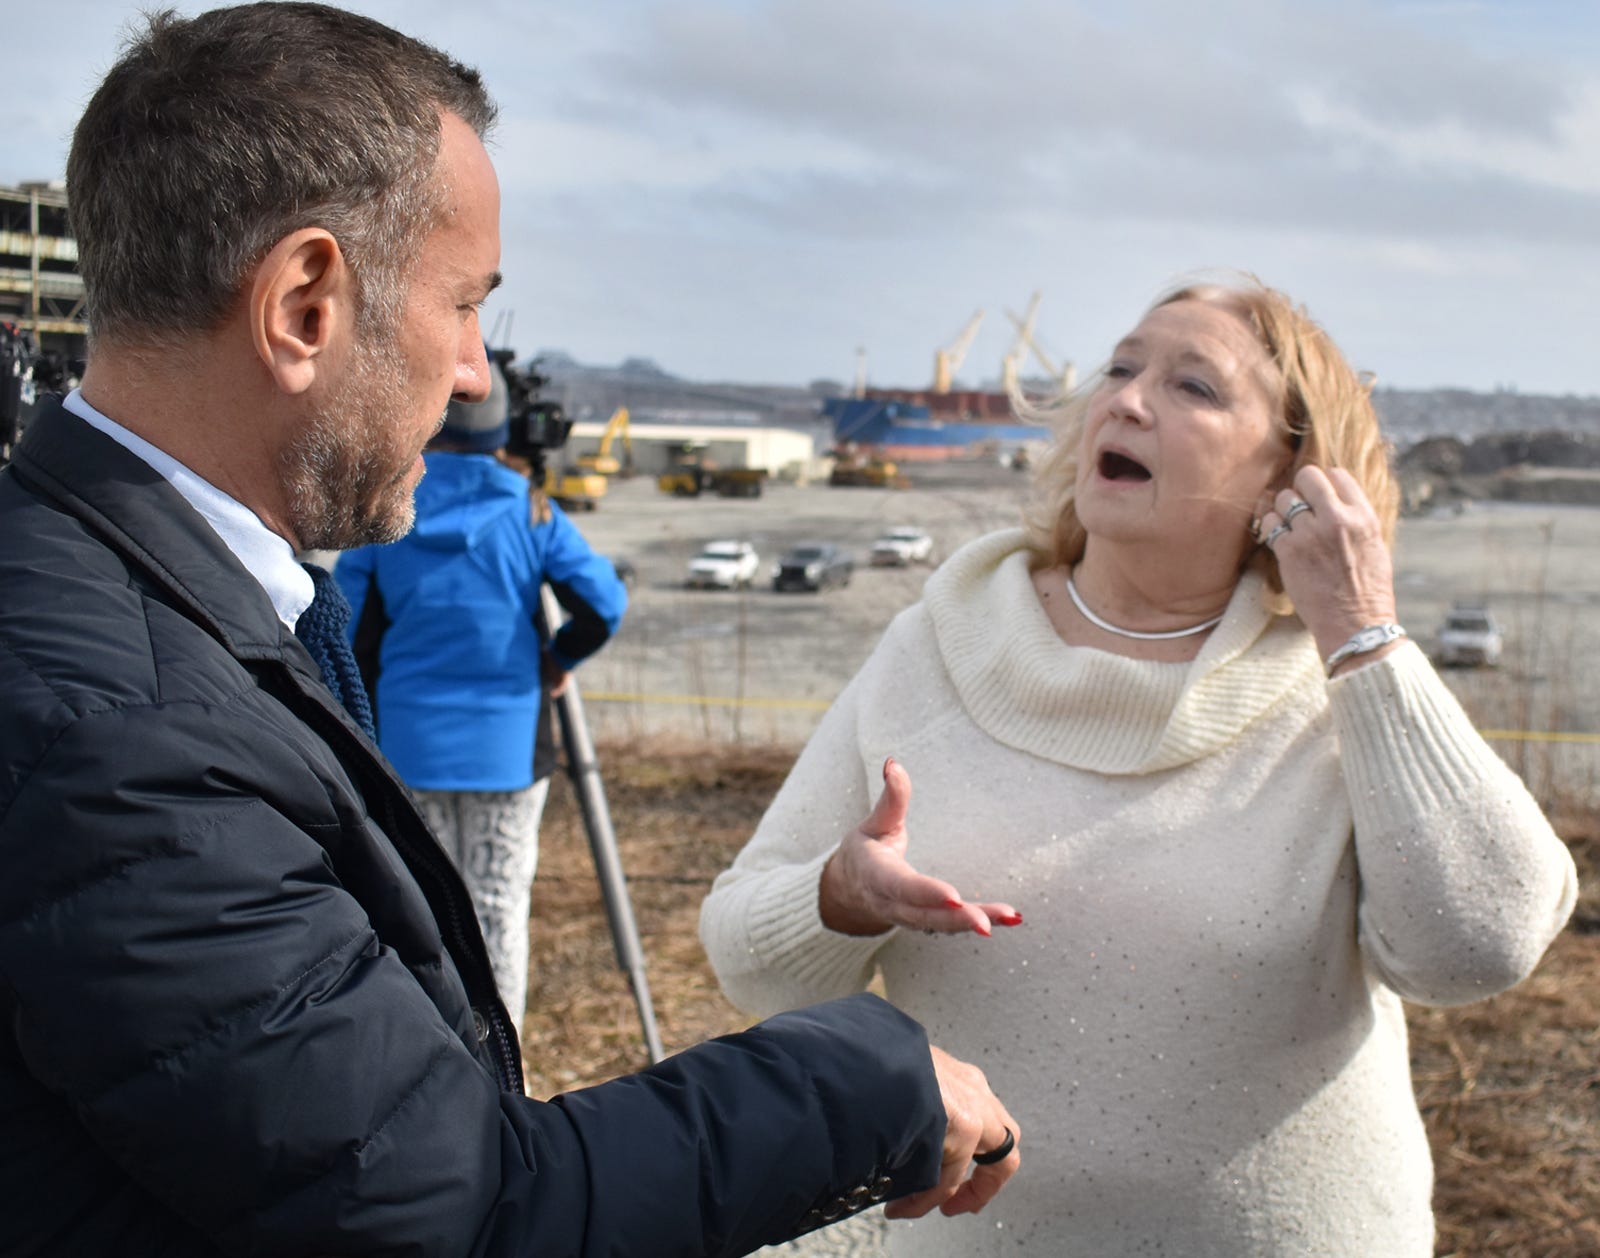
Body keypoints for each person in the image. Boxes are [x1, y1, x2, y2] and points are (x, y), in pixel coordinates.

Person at [0, 6, 1021, 1255]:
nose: (479, 373)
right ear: (306, 305)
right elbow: (467, 1213)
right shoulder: (123, 735)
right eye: (462, 303)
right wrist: (873, 1082)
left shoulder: (100, 584)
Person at [701, 276, 1578, 1256]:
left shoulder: (1339, 683)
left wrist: (1366, 635)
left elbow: (1479, 949)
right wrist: (838, 895)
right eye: (1120, 367)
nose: (1121, 398)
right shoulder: (936, 646)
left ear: (1289, 472)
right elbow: (748, 963)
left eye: (1192, 387)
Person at [334, 360, 628, 1036]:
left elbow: (342, 627)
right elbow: (604, 604)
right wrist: (559, 660)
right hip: (509, 748)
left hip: (407, 748)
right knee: (498, 909)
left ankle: (429, 1049)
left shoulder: (391, 506)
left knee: (419, 908)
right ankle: (502, 1067)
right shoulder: (532, 510)